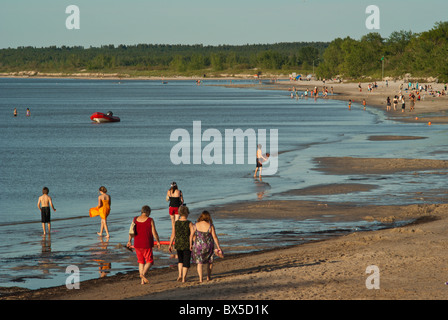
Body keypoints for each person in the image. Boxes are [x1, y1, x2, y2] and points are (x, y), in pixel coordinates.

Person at [127, 205, 160, 285]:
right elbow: (154, 232)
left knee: (141, 262)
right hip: (146, 244)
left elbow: (131, 231)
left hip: (137, 244)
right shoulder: (150, 220)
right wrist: (158, 241)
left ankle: (142, 281)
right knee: (149, 261)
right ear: (148, 212)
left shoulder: (135, 219)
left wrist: (129, 241)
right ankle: (143, 274)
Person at [191, 211, 222, 283]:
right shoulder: (210, 226)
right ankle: (208, 277)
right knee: (210, 261)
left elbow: (191, 235)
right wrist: (218, 247)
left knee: (199, 263)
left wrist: (190, 244)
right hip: (208, 245)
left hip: (198, 246)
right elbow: (214, 237)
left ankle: (201, 279)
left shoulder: (196, 225)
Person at [169, 205, 194, 283]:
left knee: (180, 260)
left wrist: (170, 244)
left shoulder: (176, 223)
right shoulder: (189, 223)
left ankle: (180, 274)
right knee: (186, 262)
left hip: (178, 244)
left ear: (179, 213)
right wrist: (192, 244)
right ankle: (183, 278)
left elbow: (173, 234)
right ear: (187, 213)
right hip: (187, 244)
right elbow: (192, 235)